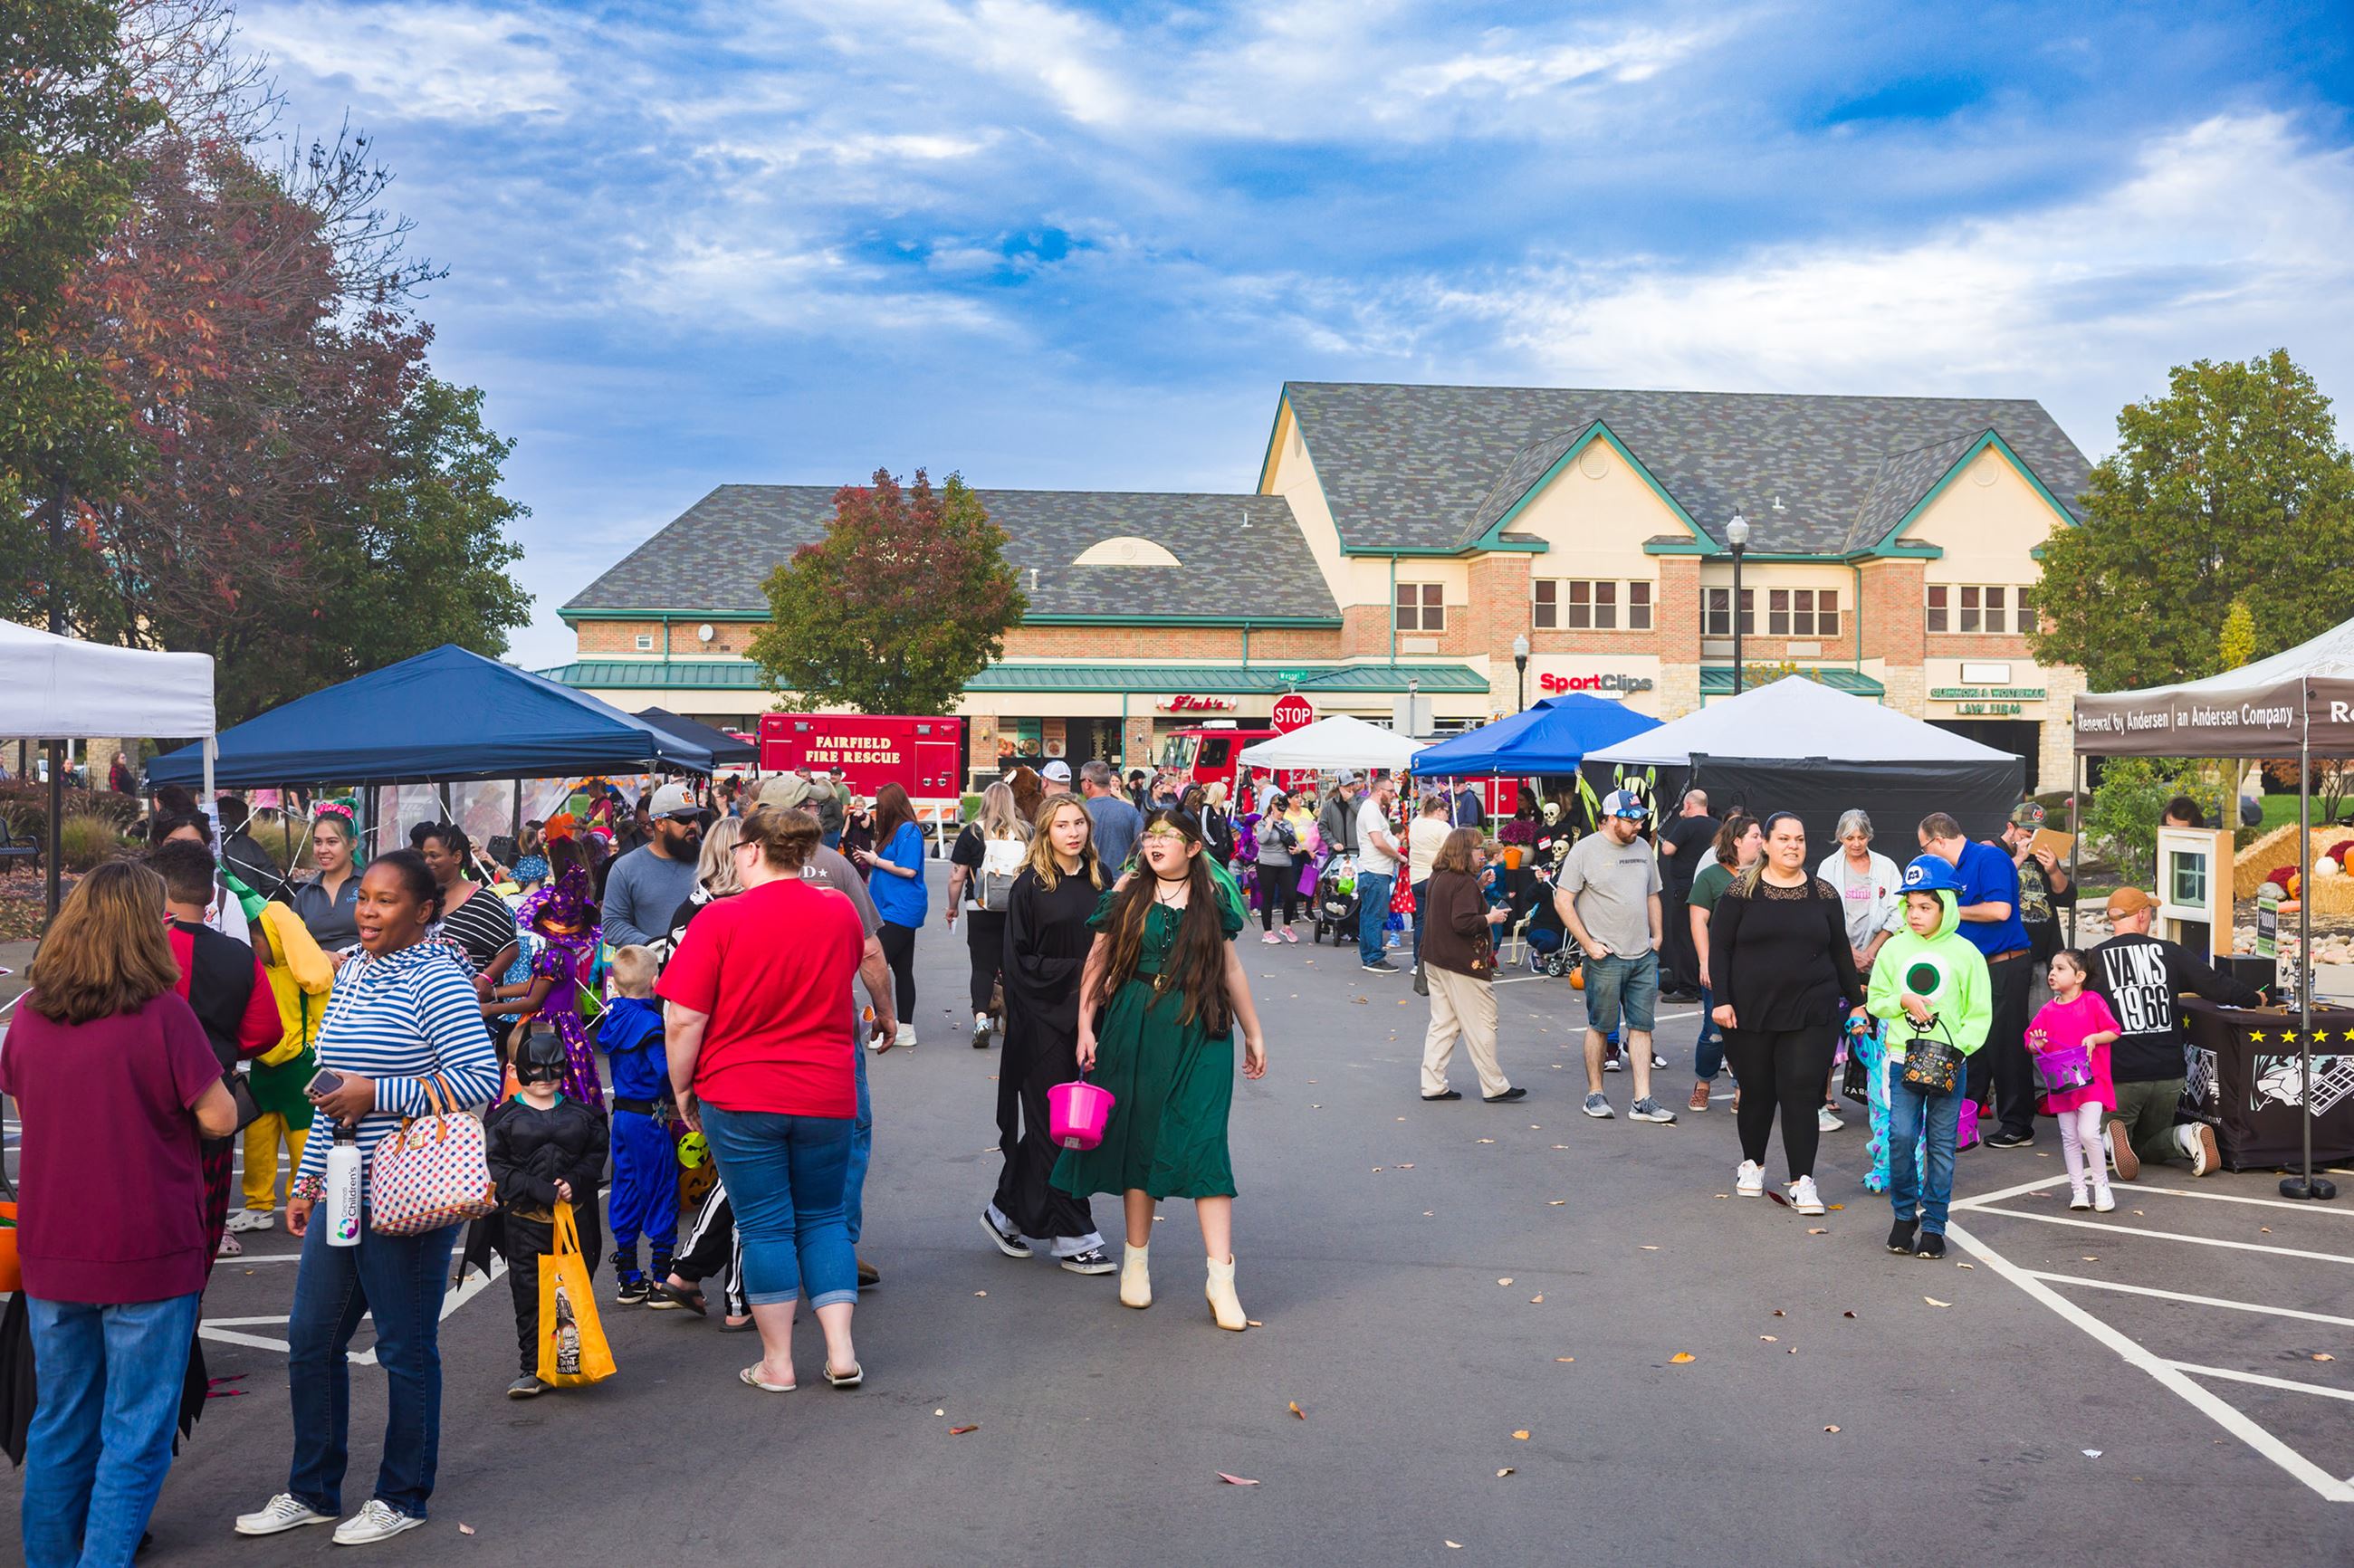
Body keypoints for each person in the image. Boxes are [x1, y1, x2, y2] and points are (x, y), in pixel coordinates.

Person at [236, 848, 501, 1545]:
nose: (369, 909)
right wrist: (308, 1180)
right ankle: (312, 1489)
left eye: (386, 901)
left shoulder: (438, 977)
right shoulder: (352, 967)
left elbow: (478, 1082)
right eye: (364, 898)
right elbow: (330, 1088)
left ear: (423, 911)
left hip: (408, 1187)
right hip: (343, 1182)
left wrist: (376, 1093)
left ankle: (402, 1495)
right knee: (309, 1340)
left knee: (405, 1348)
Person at [2, 862, 238, 1568]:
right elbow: (219, 1116)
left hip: (54, 1247)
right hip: (148, 1245)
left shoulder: (32, 1017)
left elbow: (25, 1109)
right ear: (145, 928)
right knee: (135, 1429)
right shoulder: (165, 1015)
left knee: (60, 1422)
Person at [658, 805, 870, 1393]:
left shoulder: (719, 920)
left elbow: (683, 1018)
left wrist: (682, 1087)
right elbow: (846, 979)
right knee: (825, 1220)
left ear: (750, 850)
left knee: (765, 1227)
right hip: (827, 1090)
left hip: (741, 1090)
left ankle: (778, 1363)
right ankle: (841, 1351)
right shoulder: (839, 911)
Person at [1053, 808, 1269, 1330]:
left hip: (1202, 1027)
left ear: (1194, 847)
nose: (1155, 844)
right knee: (1138, 1141)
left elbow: (1232, 967)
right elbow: (1097, 962)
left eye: (1168, 838)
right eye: (1151, 836)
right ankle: (1136, 1263)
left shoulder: (1214, 900)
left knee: (1205, 1143)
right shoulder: (1126, 893)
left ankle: (1221, 1280)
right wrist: (1086, 1026)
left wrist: (1255, 1032)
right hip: (1135, 1025)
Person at [1707, 813, 1870, 1214]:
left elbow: (1838, 950)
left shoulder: (1824, 894)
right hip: (1750, 1010)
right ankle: (1753, 1164)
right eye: (1783, 839)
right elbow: (1720, 949)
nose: (1792, 846)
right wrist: (1722, 1000)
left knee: (1800, 1091)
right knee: (1758, 1090)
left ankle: (1803, 1182)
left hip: (1813, 1007)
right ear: (1766, 844)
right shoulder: (1740, 891)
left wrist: (1858, 1001)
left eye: (1799, 839)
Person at [981, 791, 1115, 1274]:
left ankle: (1004, 1211)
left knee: (1062, 1127)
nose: (1073, 832)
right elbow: (1019, 965)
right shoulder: (1030, 887)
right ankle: (1074, 1235)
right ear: (1045, 832)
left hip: (1091, 1021)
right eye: (1062, 825)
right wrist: (1086, 969)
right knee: (1059, 1130)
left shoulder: (1103, 880)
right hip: (1040, 1026)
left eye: (1079, 823)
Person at [152, 841, 280, 1260]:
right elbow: (267, 1032)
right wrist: (222, 1048)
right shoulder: (240, 955)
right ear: (211, 894)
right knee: (205, 1218)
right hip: (218, 1095)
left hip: (150, 1097)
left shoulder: (142, 951)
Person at [1867, 856, 1993, 1259]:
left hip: (1949, 1062)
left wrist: (1959, 1049)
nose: (1916, 914)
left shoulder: (1967, 953)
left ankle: (1934, 1225)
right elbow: (1875, 1000)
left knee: (1940, 1144)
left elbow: (1980, 1013)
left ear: (1946, 906)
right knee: (1901, 1137)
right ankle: (1904, 1216)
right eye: (1911, 906)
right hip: (1904, 1059)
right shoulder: (1894, 948)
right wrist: (1900, 1000)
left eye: (1926, 906)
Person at [2089, 886, 2259, 1181]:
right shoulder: (2169, 951)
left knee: (2095, 1134)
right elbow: (2215, 985)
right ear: (2142, 915)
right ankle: (2186, 1136)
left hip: (2120, 1072)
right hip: (2168, 1071)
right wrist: (2256, 998)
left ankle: (2108, 1136)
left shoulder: (2093, 959)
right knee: (2150, 1141)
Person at [485, 1033, 609, 1398]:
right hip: (525, 1223)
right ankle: (533, 1366)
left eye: (554, 1067)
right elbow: (495, 1167)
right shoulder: (503, 1119)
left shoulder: (583, 1116)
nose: (545, 1075)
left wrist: (576, 1181)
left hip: (576, 1221)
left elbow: (596, 1154)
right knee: (528, 1294)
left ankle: (569, 1360)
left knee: (573, 1289)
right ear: (516, 1070)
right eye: (535, 1068)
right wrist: (537, 1189)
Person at [1918, 811, 2034, 1149]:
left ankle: (2018, 1124)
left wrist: (1950, 911)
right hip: (1973, 967)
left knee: (2006, 1043)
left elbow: (2000, 910)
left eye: (1925, 847)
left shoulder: (1989, 857)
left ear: (1939, 840)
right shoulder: (1951, 872)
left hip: (2004, 963)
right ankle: (1964, 1118)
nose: (1926, 855)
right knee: (1972, 1043)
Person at [1558, 790, 1674, 1123]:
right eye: (1629, 819)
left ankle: (1643, 1100)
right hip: (1604, 956)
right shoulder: (1585, 850)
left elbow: (1652, 894)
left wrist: (1658, 936)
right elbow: (1563, 901)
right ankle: (1595, 1094)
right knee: (1601, 1026)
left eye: (1639, 818)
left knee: (1642, 1026)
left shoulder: (1642, 849)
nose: (1637, 825)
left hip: (1642, 955)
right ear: (1609, 818)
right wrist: (1589, 945)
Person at [234, 894, 332, 1233]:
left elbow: (324, 1018)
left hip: (301, 1067)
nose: (252, 945)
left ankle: (302, 1200)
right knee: (257, 1142)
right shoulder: (252, 972)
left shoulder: (304, 974)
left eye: (256, 939)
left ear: (276, 937)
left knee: (303, 1142)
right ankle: (257, 1204)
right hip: (262, 1066)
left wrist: (319, 1055)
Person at [481, 865, 606, 1107]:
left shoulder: (551, 957)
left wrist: (490, 1009)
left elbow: (533, 1001)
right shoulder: (565, 953)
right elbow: (534, 985)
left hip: (544, 1029)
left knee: (536, 1081)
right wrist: (495, 992)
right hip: (567, 1026)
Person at [1817, 809, 1907, 1133]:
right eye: (1849, 837)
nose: (1856, 844)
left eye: (1861, 837)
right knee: (1832, 1027)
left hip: (1876, 958)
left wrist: (1872, 950)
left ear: (1870, 835)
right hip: (1837, 956)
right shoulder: (1829, 867)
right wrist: (1848, 953)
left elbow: (1899, 910)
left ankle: (1876, 1094)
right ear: (1840, 837)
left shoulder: (1885, 867)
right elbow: (1824, 911)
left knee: (1874, 1028)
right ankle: (1823, 1094)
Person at [600, 944, 678, 1304]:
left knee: (627, 1185)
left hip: (624, 1117)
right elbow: (664, 1070)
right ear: (655, 981)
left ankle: (628, 1273)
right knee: (660, 1187)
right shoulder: (649, 1022)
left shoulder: (614, 1014)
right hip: (651, 1115)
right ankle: (662, 1274)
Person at [1420, 827, 1519, 1104]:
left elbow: (1452, 907)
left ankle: (1433, 1084)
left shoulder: (1439, 876)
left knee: (1444, 1024)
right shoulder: (1461, 882)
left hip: (1435, 958)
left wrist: (1479, 886)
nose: (1483, 855)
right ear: (1465, 851)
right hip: (1462, 962)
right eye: (1479, 850)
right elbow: (1462, 922)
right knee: (1484, 1021)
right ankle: (1494, 1085)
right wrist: (1491, 918)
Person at [2031, 949, 2122, 1213]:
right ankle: (2078, 1190)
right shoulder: (2048, 1010)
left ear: (2079, 976)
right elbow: (2031, 1041)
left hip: (2092, 1081)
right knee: (2069, 1137)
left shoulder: (2092, 1001)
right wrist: (2037, 1043)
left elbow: (2113, 1031)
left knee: (2088, 1133)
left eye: (2060, 969)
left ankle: (2101, 1185)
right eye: (2051, 968)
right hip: (2062, 1084)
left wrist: (2094, 1038)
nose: (2052, 973)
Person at [1687, 814, 1761, 1112]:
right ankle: (1703, 1083)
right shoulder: (1711, 877)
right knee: (1714, 1031)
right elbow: (1697, 921)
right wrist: (1706, 962)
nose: (1761, 841)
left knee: (1750, 1032)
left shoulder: (1764, 875)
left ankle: (1742, 1088)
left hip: (1755, 972)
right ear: (1737, 841)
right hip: (1721, 968)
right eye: (1755, 835)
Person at [947, 782, 1029, 1050]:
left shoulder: (971, 832)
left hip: (979, 907)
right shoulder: (1025, 831)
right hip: (1016, 909)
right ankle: (1015, 1021)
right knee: (1013, 966)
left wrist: (953, 907)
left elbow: (957, 877)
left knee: (982, 966)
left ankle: (981, 1019)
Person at [854, 779, 926, 1050]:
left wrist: (874, 860)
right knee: (903, 969)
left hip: (900, 909)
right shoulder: (899, 831)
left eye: (880, 807)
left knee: (876, 964)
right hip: (892, 908)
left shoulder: (908, 830)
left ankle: (887, 1024)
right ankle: (905, 1028)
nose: (877, 812)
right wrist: (872, 859)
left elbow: (908, 870)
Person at [599, 781, 703, 949]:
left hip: (707, 968)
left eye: (695, 818)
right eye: (684, 819)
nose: (692, 825)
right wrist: (657, 946)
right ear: (660, 823)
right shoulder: (626, 868)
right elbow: (613, 924)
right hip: (656, 971)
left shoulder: (710, 859)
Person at [414, 822, 517, 980]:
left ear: (457, 857)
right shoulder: (421, 897)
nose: (427, 861)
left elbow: (510, 949)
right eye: (424, 856)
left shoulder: (483, 902)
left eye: (434, 856)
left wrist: (485, 979)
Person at [2001, 801, 2075, 994]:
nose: (2031, 838)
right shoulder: (1994, 852)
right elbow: (1996, 886)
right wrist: (2018, 857)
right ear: (2011, 828)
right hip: (2010, 955)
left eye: (2037, 834)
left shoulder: (2041, 852)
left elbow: (2066, 897)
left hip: (2044, 954)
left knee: (2042, 1018)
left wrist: (2053, 870)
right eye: (2026, 833)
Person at [1656, 789, 1719, 1001]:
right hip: (1710, 887)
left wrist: (1681, 822)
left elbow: (1667, 849)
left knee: (1684, 937)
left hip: (1686, 889)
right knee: (1705, 936)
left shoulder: (1686, 825)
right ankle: (1705, 985)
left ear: (1688, 805)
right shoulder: (1717, 826)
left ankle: (1687, 988)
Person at [290, 804, 362, 955]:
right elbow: (294, 945)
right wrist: (321, 957)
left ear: (352, 843)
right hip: (317, 974)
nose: (323, 850)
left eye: (332, 842)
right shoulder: (305, 895)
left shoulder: (369, 884)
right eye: (318, 842)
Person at [1355, 774, 1404, 974]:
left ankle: (1370, 955)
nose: (1394, 795)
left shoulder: (1372, 809)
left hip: (1373, 870)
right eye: (1391, 791)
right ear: (1379, 790)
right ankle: (1374, 957)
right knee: (1375, 915)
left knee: (1369, 914)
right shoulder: (1370, 810)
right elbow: (1378, 841)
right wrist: (1398, 856)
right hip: (1375, 870)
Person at [1405, 793, 1452, 976]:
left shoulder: (1415, 824)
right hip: (1436, 877)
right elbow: (1449, 853)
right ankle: (1438, 960)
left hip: (1416, 877)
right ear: (1439, 811)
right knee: (1441, 921)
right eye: (1446, 812)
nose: (1448, 816)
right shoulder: (1442, 827)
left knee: (1421, 921)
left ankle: (1418, 962)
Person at [1253, 789, 1302, 942]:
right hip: (1267, 863)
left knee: (1291, 896)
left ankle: (1286, 927)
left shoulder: (1287, 824)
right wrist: (1269, 824)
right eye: (1279, 809)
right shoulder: (1262, 823)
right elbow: (1261, 840)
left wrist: (1299, 849)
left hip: (1285, 863)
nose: (1281, 813)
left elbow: (1296, 841)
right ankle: (1267, 932)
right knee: (1268, 897)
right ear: (1273, 807)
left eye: (1283, 810)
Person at [1081, 760, 1144, 875]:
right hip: (1122, 883)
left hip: (1089, 881)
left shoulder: (1078, 812)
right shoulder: (1130, 812)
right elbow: (1142, 848)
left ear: (1087, 783)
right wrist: (1129, 874)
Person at [217, 795, 283, 898]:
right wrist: (256, 900)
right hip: (247, 910)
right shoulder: (249, 845)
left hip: (210, 911)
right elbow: (273, 881)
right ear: (242, 819)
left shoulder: (202, 843)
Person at [1318, 772, 1363, 860]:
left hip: (1358, 851)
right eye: (1347, 785)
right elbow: (1322, 826)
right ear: (1340, 787)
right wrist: (1333, 843)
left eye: (1352, 784)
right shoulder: (1329, 805)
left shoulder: (1362, 801)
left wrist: (1351, 800)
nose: (1350, 788)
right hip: (1337, 853)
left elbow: (1363, 816)